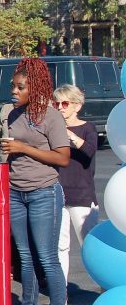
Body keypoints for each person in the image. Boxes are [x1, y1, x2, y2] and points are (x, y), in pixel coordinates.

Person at [3, 58, 71, 305]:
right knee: (25, 257)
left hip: (44, 191)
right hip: (16, 192)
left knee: (46, 257)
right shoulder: (13, 114)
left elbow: (63, 158)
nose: (14, 91)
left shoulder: (51, 116)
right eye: (13, 86)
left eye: (20, 87)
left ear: (35, 88)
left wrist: (23, 148)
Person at [52, 84, 99, 287]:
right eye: (56, 104)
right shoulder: (53, 129)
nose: (60, 108)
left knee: (90, 246)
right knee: (60, 248)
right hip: (58, 194)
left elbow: (89, 151)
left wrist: (69, 135)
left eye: (64, 103)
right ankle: (60, 294)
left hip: (82, 196)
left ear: (77, 106)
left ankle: (105, 286)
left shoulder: (88, 128)